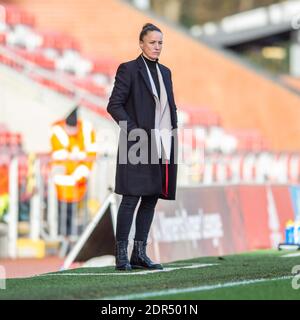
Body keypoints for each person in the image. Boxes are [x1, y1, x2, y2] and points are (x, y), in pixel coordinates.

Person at [107, 23, 178, 271]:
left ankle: (139, 253)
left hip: (161, 143)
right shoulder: (128, 69)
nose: (157, 47)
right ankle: (121, 256)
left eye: (160, 43)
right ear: (141, 43)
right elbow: (114, 105)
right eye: (152, 42)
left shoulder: (166, 72)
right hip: (136, 142)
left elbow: (169, 108)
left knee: (150, 198)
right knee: (131, 199)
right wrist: (135, 131)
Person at [50, 106, 97, 254]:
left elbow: (90, 154)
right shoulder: (58, 132)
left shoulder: (86, 130)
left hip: (79, 182)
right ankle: (65, 241)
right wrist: (76, 157)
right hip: (63, 184)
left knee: (78, 216)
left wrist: (80, 170)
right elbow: (59, 155)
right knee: (64, 214)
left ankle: (74, 243)